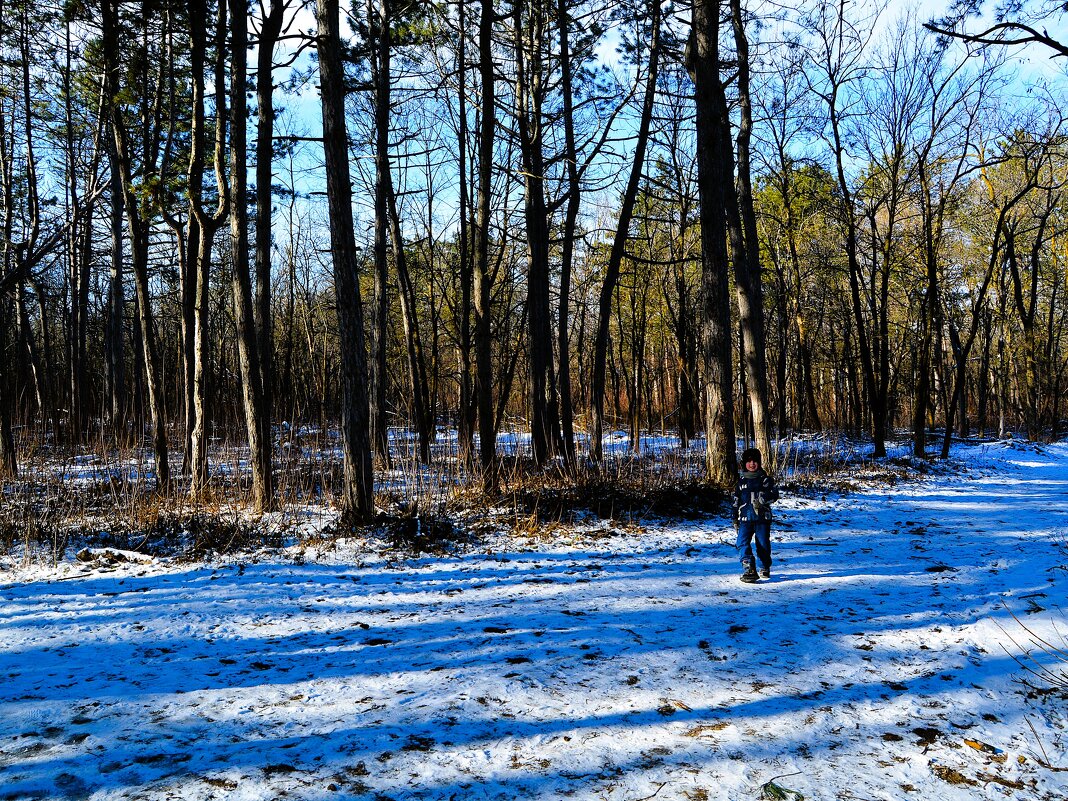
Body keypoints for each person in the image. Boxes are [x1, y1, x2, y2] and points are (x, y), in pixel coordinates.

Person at [733, 447, 779, 583]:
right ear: (744, 464)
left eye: (755, 461)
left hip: (762, 519)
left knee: (763, 544)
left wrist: (763, 500)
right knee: (741, 542)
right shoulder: (741, 482)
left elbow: (774, 494)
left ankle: (764, 566)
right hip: (745, 519)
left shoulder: (765, 480)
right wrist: (734, 518)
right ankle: (748, 566)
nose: (752, 464)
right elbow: (735, 501)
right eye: (749, 461)